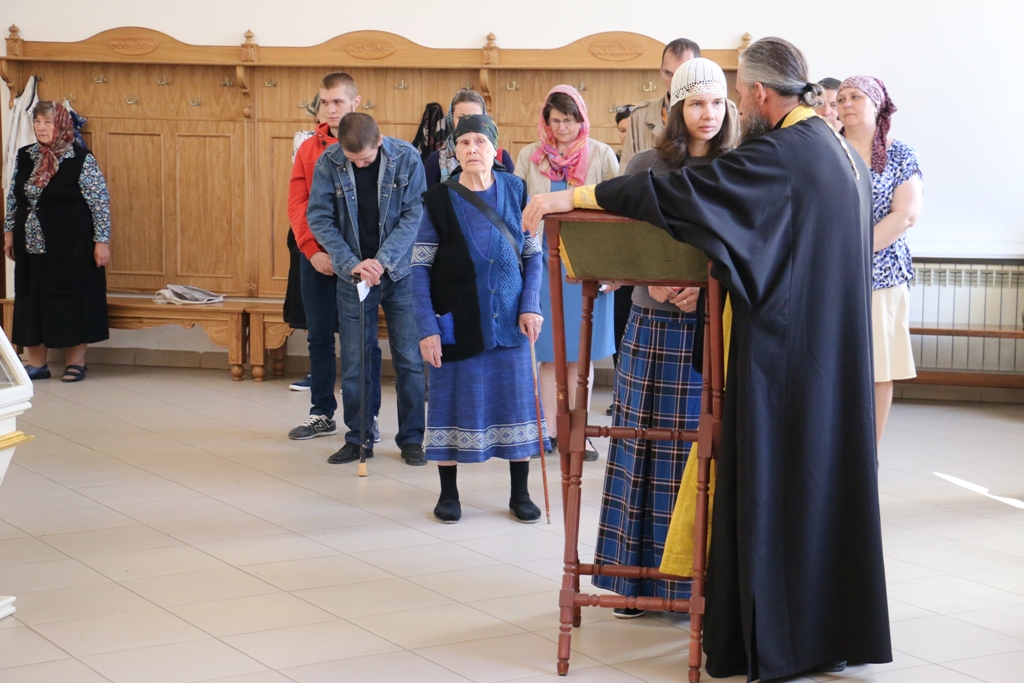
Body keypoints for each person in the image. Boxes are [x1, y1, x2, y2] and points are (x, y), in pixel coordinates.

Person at [523, 36, 892, 681]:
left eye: (735, 98)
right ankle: (824, 634)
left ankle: (780, 641)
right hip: (827, 358)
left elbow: (686, 192)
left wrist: (576, 198)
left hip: (787, 361)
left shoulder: (784, 151)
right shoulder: (835, 148)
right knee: (818, 487)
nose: (731, 111)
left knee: (782, 490)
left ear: (757, 94)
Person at [594, 57, 738, 619]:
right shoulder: (646, 164)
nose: (708, 114)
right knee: (640, 445)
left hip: (712, 326)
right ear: (676, 108)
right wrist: (650, 275)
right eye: (696, 103)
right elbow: (621, 241)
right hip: (651, 325)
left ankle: (694, 589)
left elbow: (746, 246)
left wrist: (709, 292)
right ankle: (634, 583)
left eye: (717, 102)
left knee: (698, 453)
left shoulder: (740, 165)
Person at [413, 114, 547, 523]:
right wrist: (427, 328)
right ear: (454, 150)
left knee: (517, 406)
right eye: (464, 142)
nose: (473, 149)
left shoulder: (516, 190)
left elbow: (533, 256)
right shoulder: (438, 199)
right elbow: (418, 269)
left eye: (480, 142)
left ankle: (520, 494)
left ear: (495, 148)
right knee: (450, 405)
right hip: (457, 322)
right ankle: (448, 494)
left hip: (510, 323)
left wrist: (531, 304)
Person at [307, 113, 427, 466]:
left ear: (379, 141)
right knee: (356, 361)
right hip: (353, 276)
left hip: (400, 272)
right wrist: (352, 263)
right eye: (353, 159)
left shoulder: (407, 158)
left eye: (366, 159)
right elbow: (319, 218)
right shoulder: (328, 162)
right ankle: (359, 438)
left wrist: (382, 261)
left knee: (409, 359)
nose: (360, 164)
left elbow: (414, 215)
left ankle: (412, 439)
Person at [514, 85, 618, 461]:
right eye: (556, 120)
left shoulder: (602, 154)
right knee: (549, 353)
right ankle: (549, 431)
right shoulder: (529, 155)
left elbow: (618, 211)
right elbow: (516, 207)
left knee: (580, 355)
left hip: (587, 263)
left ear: (581, 120)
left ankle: (579, 432)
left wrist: (613, 264)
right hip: (543, 264)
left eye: (570, 120)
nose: (562, 128)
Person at [287, 73, 382, 441]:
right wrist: (312, 252)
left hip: (360, 261)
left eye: (337, 102)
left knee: (363, 341)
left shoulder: (370, 144)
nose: (329, 109)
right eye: (324, 103)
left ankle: (368, 417)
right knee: (319, 336)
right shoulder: (309, 149)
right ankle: (321, 412)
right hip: (317, 258)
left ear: (355, 102)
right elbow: (298, 204)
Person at [839, 76, 923, 445]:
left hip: (882, 276)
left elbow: (905, 214)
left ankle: (867, 452)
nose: (846, 103)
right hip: (832, 276)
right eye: (841, 98)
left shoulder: (899, 153)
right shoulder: (829, 150)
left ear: (877, 105)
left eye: (856, 97)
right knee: (834, 367)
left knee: (878, 368)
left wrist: (851, 251)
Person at [4, 100, 110, 383]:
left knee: (74, 299)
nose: (40, 127)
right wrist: (9, 232)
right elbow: (14, 196)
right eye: (37, 121)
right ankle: (37, 364)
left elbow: (100, 203)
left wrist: (102, 241)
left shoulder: (81, 158)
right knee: (32, 299)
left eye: (48, 122)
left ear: (62, 125)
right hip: (31, 243)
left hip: (71, 244)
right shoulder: (26, 155)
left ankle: (76, 362)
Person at [619, 38, 700, 168]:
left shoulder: (723, 112)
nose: (674, 82)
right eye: (669, 73)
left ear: (698, 73)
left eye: (682, 75)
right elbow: (626, 168)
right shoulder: (640, 115)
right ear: (661, 71)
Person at [424, 89, 515, 188]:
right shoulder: (435, 160)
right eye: (461, 118)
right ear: (451, 120)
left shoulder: (502, 158)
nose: (468, 122)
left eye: (475, 117)